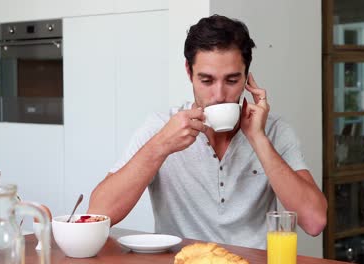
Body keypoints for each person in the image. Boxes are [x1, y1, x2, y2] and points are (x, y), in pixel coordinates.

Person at [87, 14, 327, 249]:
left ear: (247, 78)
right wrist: (160, 146)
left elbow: (314, 222)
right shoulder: (160, 128)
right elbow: (98, 213)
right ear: (189, 73)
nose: (219, 95)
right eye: (207, 80)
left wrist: (258, 138)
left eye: (232, 80)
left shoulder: (273, 131)